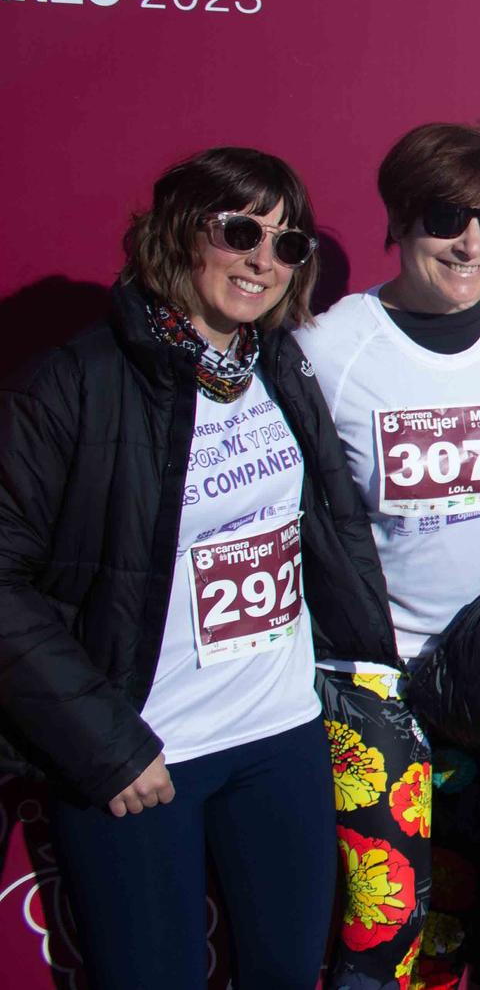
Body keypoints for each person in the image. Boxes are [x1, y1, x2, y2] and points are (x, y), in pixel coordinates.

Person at [0, 148, 401, 989]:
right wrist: (104, 745)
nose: (264, 259)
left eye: (288, 244)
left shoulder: (280, 363)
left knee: (288, 973)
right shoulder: (77, 381)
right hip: (145, 757)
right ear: (180, 232)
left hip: (280, 734)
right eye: (240, 231)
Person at [296, 122, 480, 988]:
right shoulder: (331, 347)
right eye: (449, 215)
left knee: (477, 911)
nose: (474, 242)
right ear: (399, 217)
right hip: (370, 672)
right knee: (384, 920)